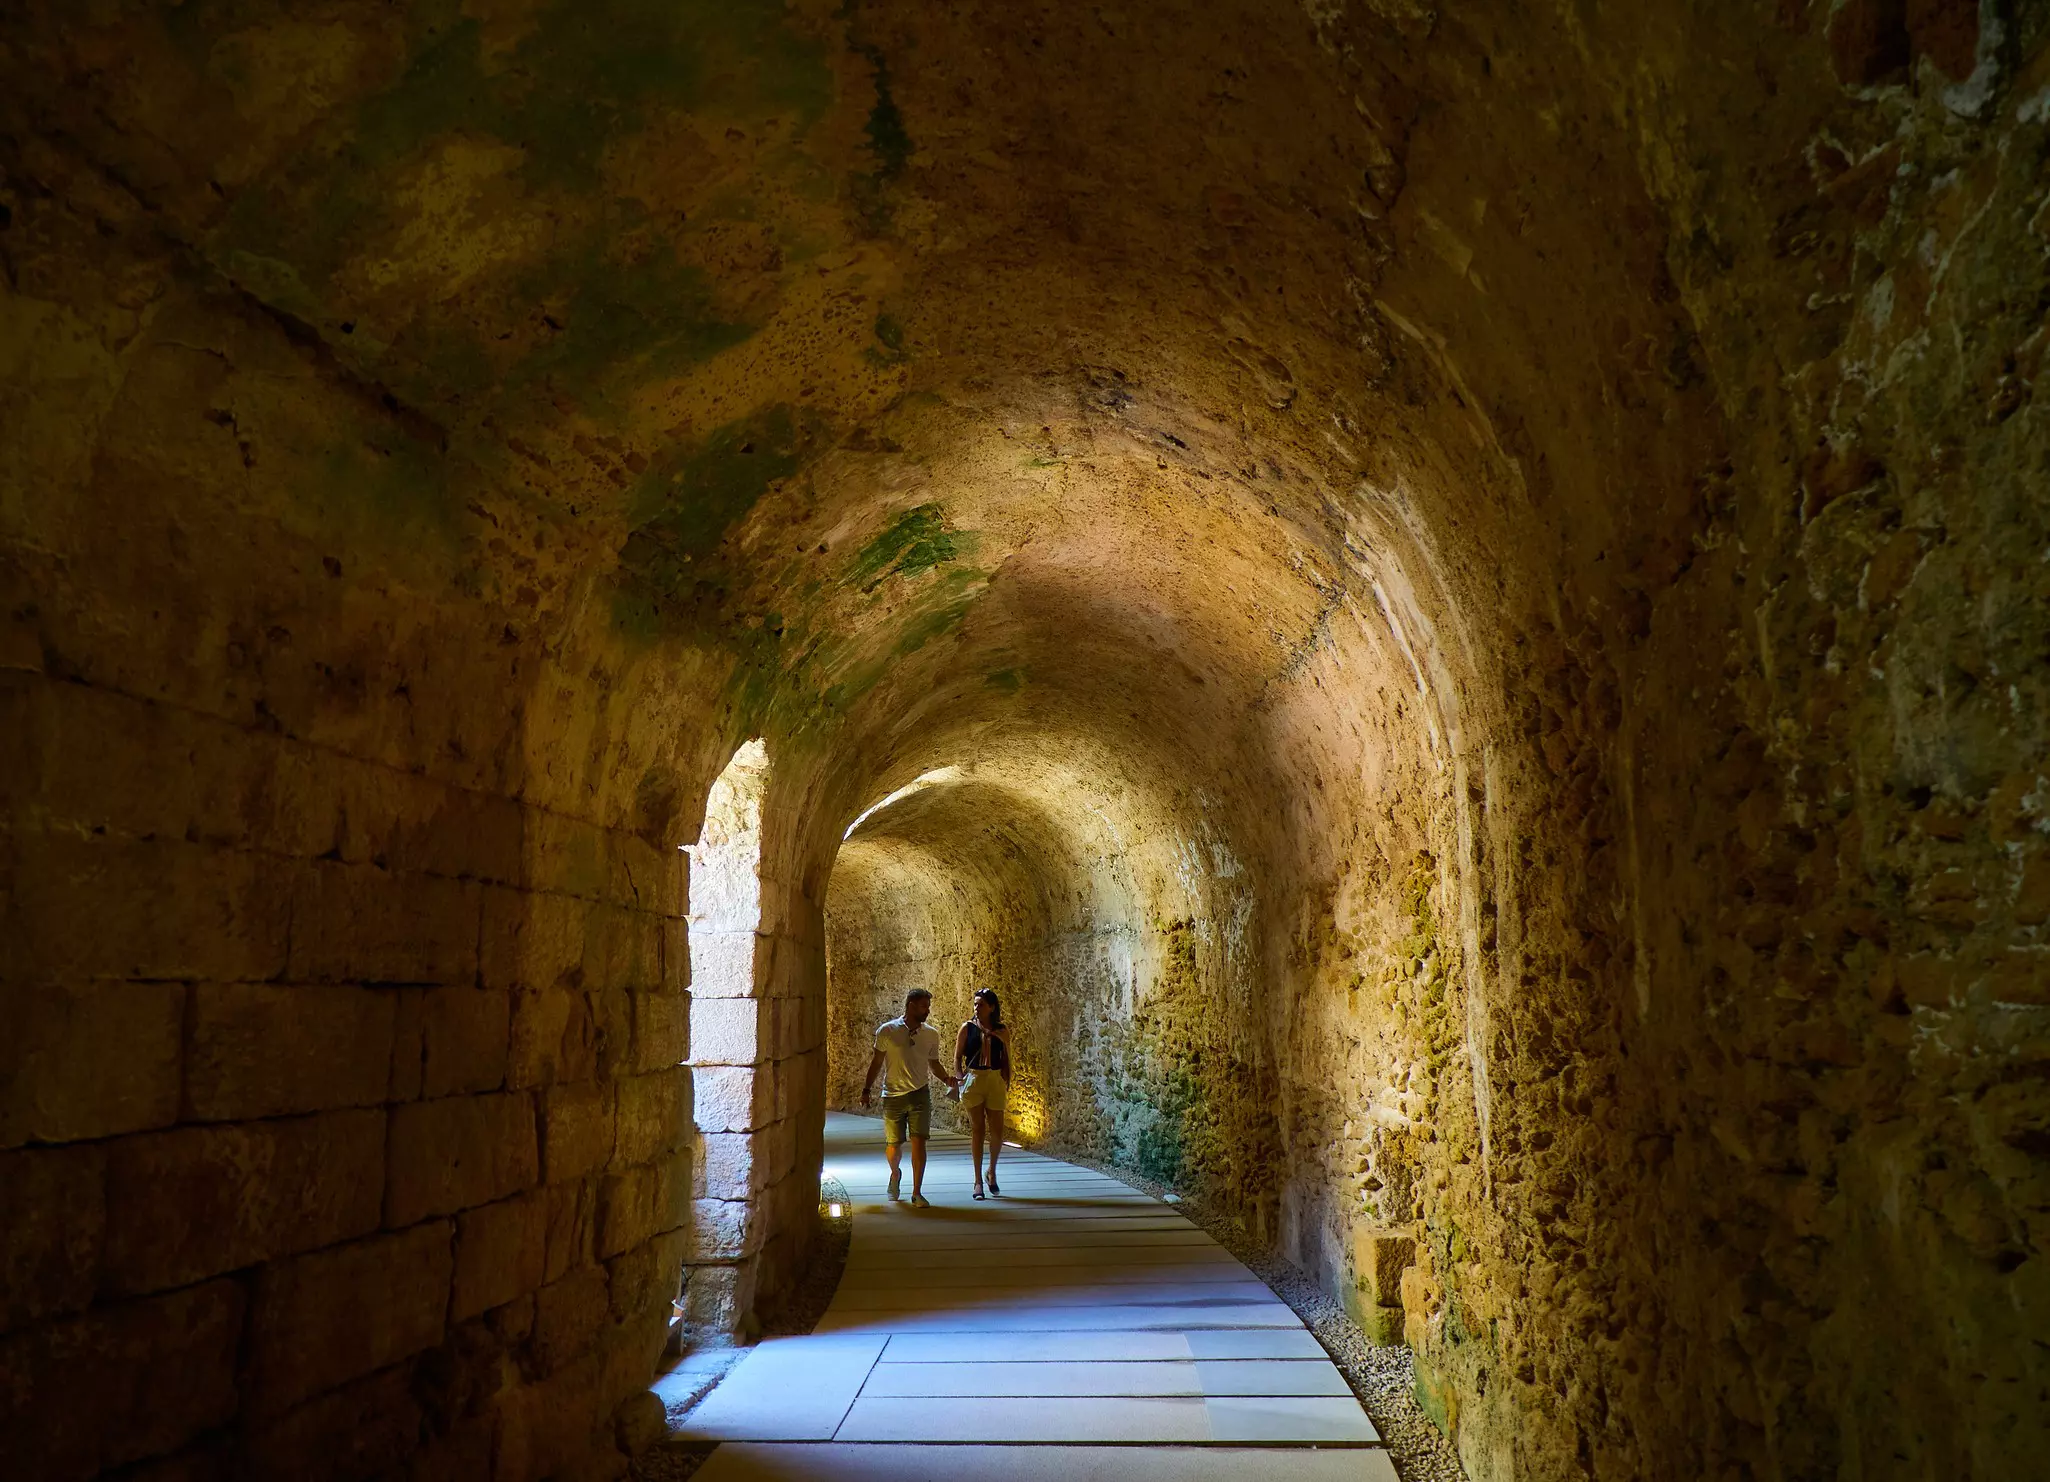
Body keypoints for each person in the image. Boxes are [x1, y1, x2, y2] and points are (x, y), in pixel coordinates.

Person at [860, 988, 959, 1207]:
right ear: (911, 1005)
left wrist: (946, 1079)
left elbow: (934, 1063)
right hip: (893, 1095)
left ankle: (917, 1192)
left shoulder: (931, 1034)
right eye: (924, 1006)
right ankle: (895, 1174)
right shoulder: (887, 1031)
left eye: (928, 1006)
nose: (928, 1011)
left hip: (919, 1094)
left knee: (919, 1141)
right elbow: (877, 1063)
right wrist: (866, 1089)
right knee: (893, 1145)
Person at [954, 989, 1013, 1199]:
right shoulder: (967, 1028)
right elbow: (958, 1057)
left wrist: (1007, 1079)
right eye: (975, 1004)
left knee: (997, 1131)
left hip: (994, 1079)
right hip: (975, 1079)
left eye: (981, 1005)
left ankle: (992, 1171)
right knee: (978, 1130)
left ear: (992, 1007)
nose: (976, 1008)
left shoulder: (1001, 1030)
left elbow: (1006, 1056)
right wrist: (961, 1080)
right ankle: (977, 1180)